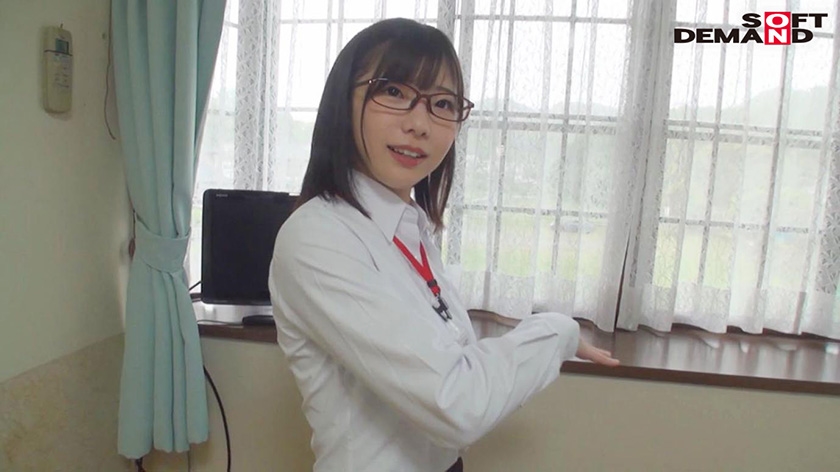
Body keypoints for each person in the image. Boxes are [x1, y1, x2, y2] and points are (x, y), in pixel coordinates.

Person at [268, 18, 619, 472]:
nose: (420, 124)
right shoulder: (318, 237)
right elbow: (455, 403)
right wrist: (556, 331)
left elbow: (451, 364)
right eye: (393, 91)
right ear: (342, 102)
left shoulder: (410, 229)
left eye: (442, 103)